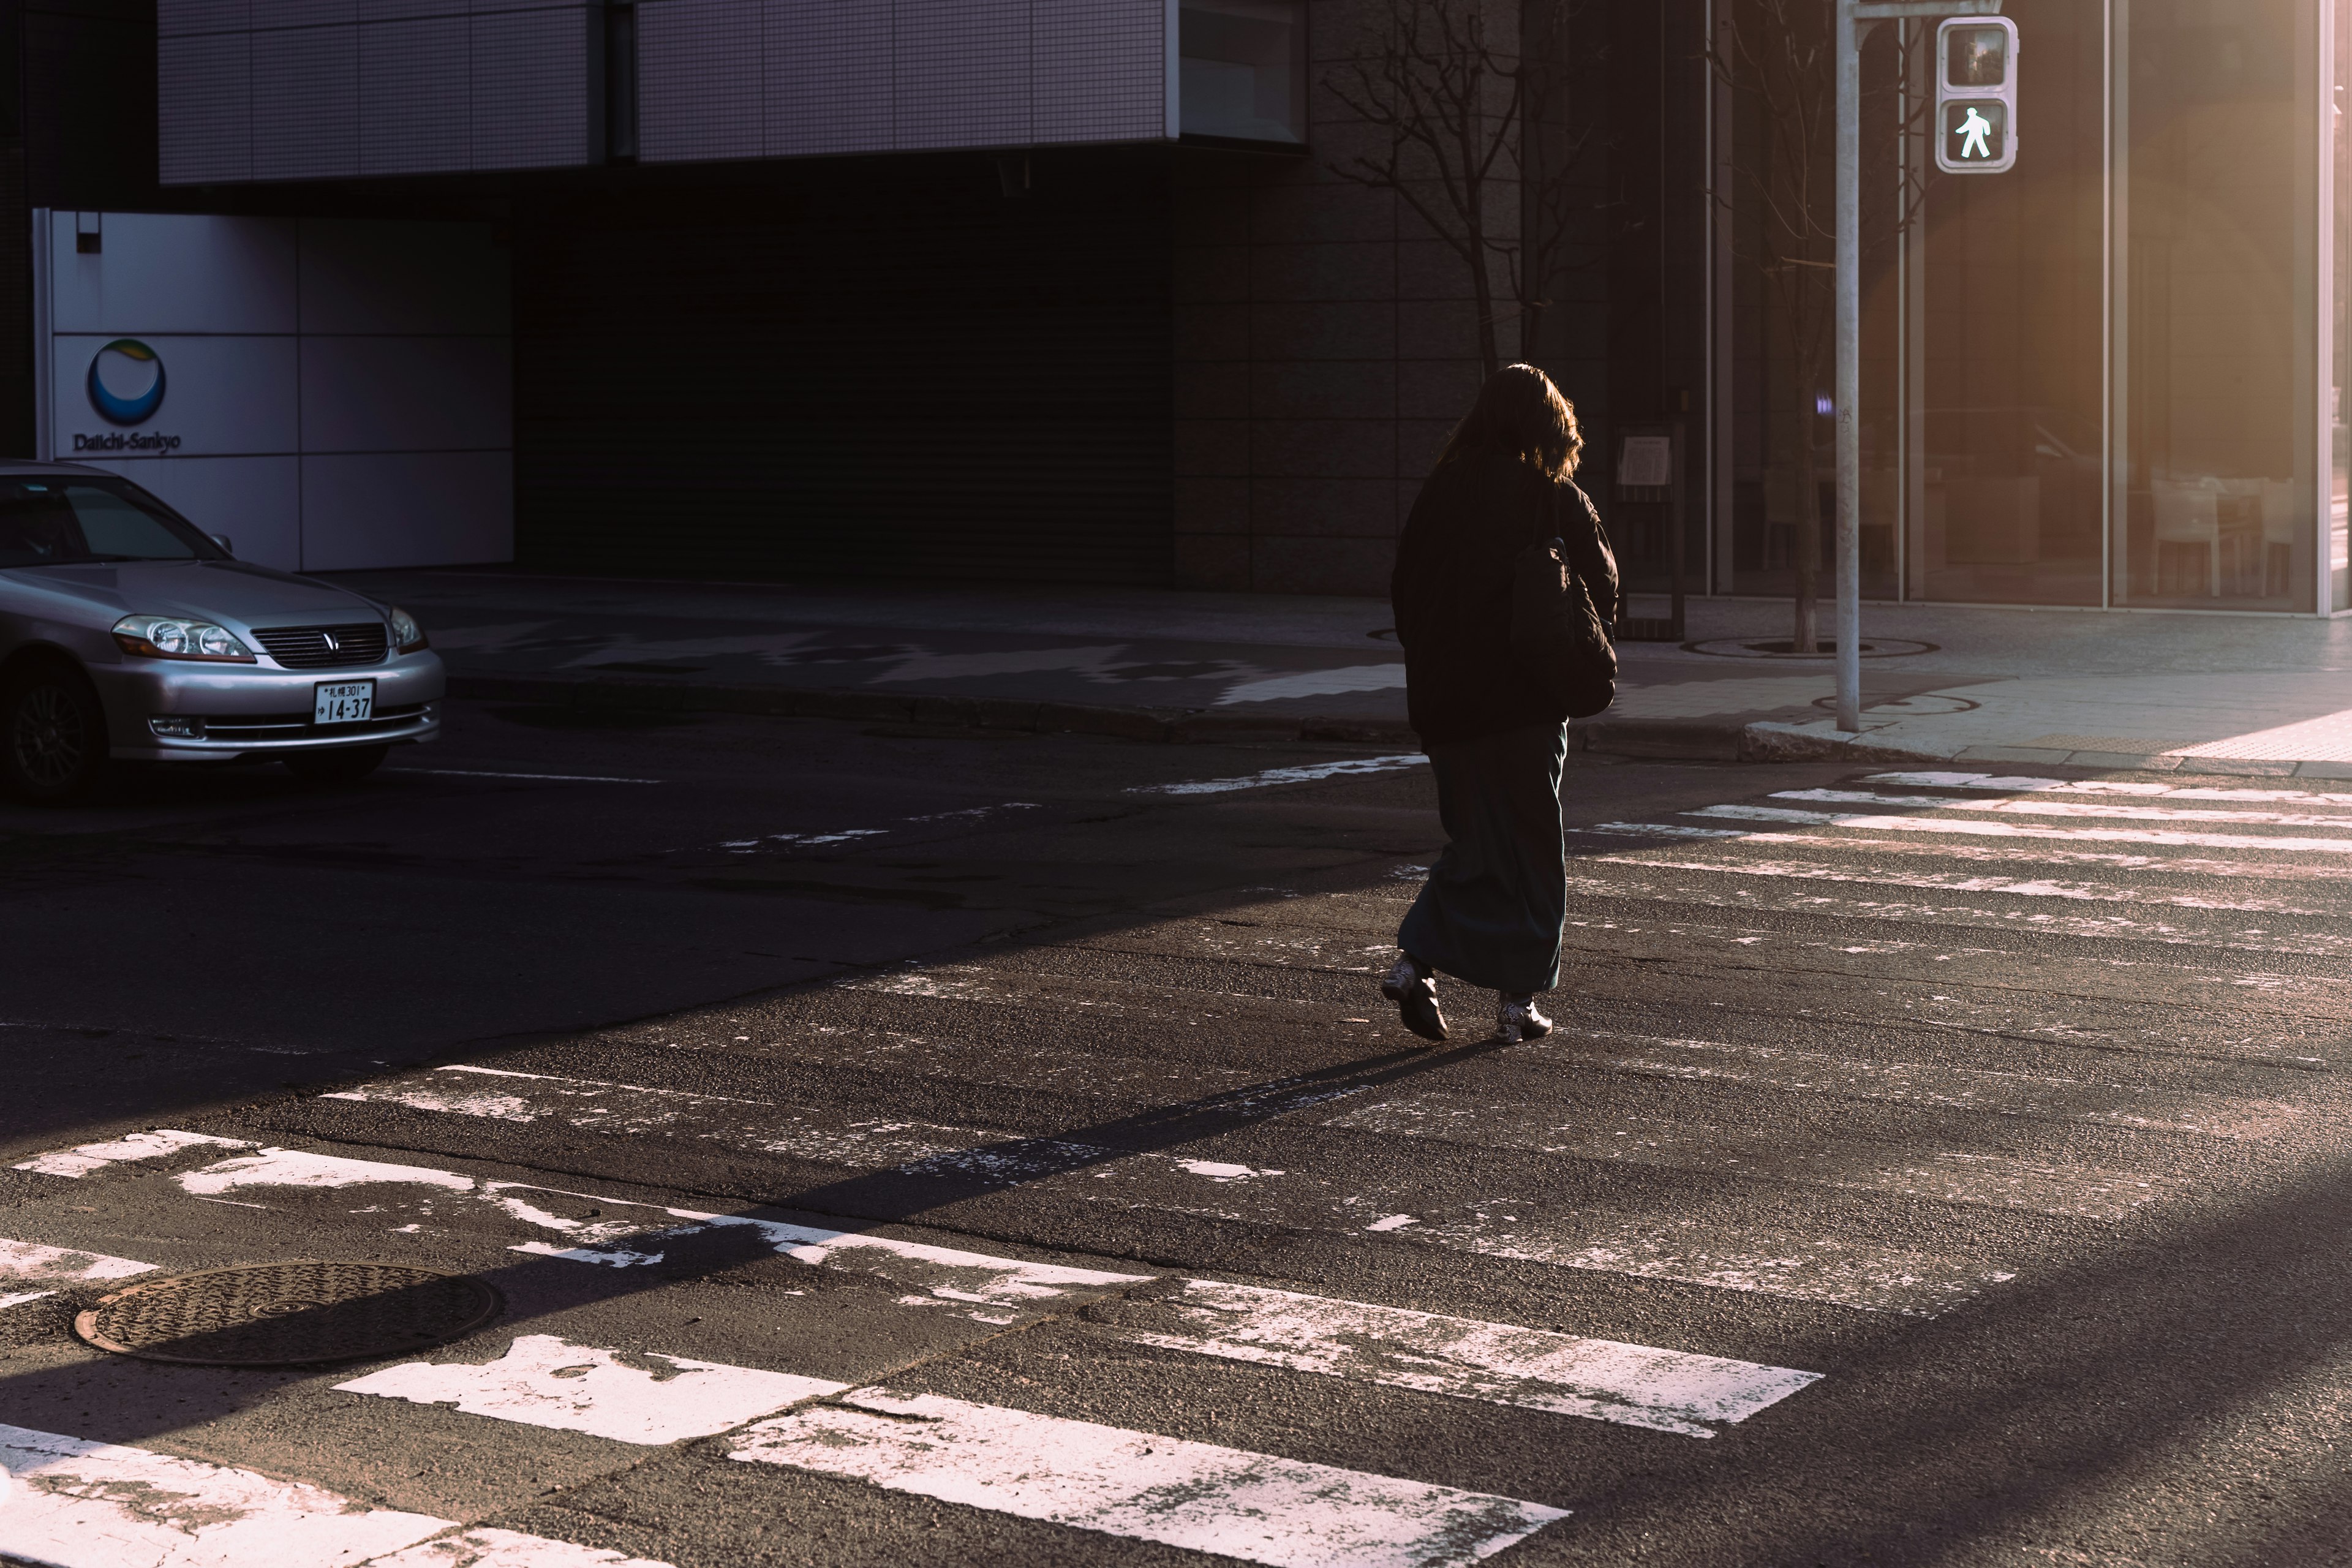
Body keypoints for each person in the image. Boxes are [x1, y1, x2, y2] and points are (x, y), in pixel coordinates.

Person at [1380, 364, 1618, 1044]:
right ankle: (1519, 1002)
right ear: (1549, 426)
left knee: (1475, 845)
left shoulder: (1438, 495)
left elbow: (1404, 596)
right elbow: (1601, 592)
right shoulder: (1550, 497)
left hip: (1444, 705)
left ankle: (1415, 963)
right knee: (1535, 851)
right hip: (1523, 706)